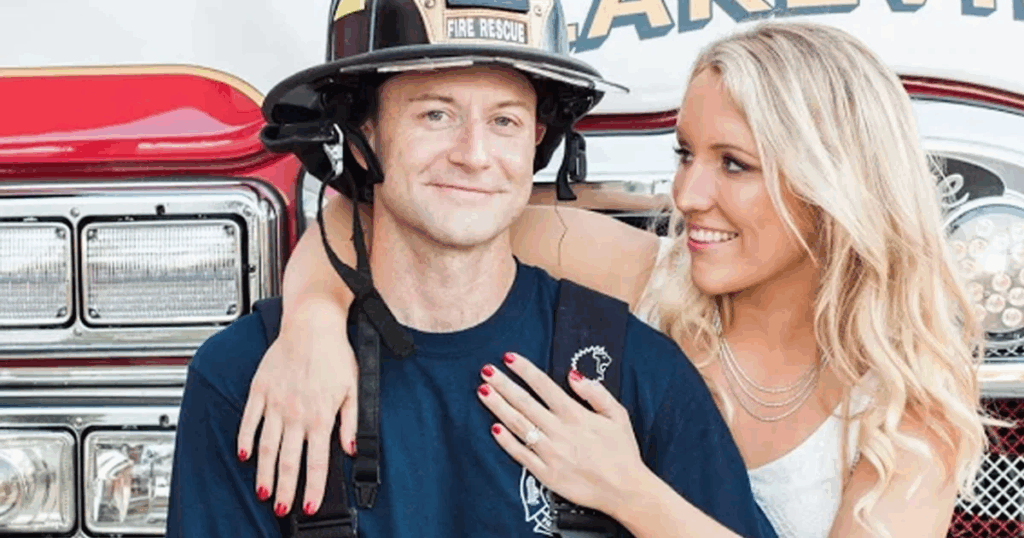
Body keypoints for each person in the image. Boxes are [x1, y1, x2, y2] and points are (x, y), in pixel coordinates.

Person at [239, 20, 996, 538]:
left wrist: (626, 491)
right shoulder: (648, 278)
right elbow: (391, 213)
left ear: (834, 187)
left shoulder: (908, 397)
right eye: (684, 154)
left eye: (734, 164)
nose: (688, 196)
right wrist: (312, 325)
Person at [167, 0, 778, 536]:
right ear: (361, 137)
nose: (475, 155)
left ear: (537, 141)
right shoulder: (246, 381)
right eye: (436, 114)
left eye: (505, 121)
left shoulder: (635, 373)